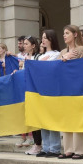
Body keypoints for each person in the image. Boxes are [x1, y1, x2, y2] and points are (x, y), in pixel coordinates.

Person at [57, 24, 83, 159]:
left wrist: (69, 59)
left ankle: (80, 150)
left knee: (77, 118)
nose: (64, 36)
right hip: (65, 89)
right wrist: (64, 58)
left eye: (67, 33)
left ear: (75, 34)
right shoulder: (62, 52)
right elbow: (57, 68)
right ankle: (68, 148)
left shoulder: (81, 49)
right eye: (64, 33)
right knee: (66, 118)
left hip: (77, 88)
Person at [37, 29, 63, 157]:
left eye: (45, 37)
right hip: (41, 90)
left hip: (52, 91)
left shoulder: (56, 54)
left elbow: (55, 70)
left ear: (51, 39)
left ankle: (55, 148)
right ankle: (46, 147)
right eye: (42, 37)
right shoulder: (40, 56)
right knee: (43, 120)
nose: (43, 40)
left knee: (52, 120)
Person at [19, 35, 43, 155]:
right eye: (24, 44)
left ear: (33, 46)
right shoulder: (24, 58)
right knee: (32, 118)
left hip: (36, 92)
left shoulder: (38, 57)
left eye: (27, 44)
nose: (24, 46)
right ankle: (36, 143)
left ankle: (39, 144)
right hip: (27, 91)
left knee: (37, 118)